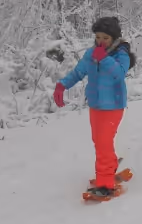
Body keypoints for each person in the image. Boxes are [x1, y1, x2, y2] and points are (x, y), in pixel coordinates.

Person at [53, 16, 136, 199]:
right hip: (96, 105)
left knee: (103, 143)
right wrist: (62, 85)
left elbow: (120, 74)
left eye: (105, 38)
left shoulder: (121, 54)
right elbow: (78, 72)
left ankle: (105, 184)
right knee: (98, 141)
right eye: (98, 37)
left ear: (114, 38)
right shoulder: (91, 53)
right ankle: (109, 167)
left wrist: (105, 58)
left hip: (113, 106)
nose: (100, 41)